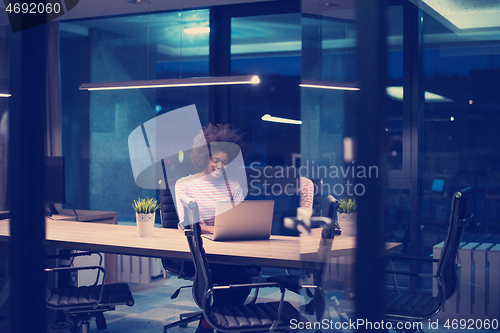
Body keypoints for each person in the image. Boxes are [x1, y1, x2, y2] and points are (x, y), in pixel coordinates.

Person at [174, 123, 251, 333]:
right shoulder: (185, 184)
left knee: (241, 278)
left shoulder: (233, 185)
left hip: (229, 249)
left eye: (225, 162)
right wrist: (214, 226)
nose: (220, 165)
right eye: (215, 159)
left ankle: (209, 324)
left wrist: (209, 226)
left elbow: (240, 221)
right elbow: (190, 225)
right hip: (198, 253)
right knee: (238, 278)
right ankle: (214, 325)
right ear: (203, 156)